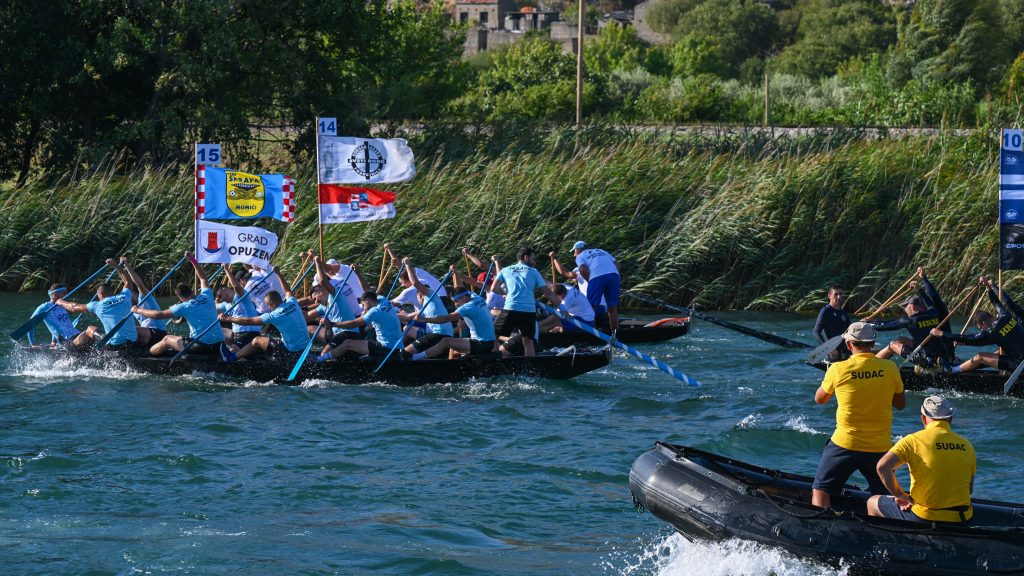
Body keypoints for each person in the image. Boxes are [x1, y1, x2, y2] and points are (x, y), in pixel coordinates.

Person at [812, 322, 906, 509]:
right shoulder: (890, 368)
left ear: (848, 345)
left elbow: (819, 399)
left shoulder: (838, 369)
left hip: (845, 444)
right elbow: (901, 405)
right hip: (880, 446)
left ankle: (820, 527)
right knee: (883, 495)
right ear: (873, 343)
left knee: (821, 489)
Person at [867, 396, 976, 524]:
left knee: (872, 502)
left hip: (926, 517)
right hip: (962, 518)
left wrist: (900, 495)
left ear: (923, 418)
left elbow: (882, 467)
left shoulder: (913, 440)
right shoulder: (967, 445)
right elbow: (969, 489)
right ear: (950, 418)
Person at [131, 252, 233, 359]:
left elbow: (159, 315)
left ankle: (148, 356)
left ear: (180, 298)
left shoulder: (183, 306)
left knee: (166, 339)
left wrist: (138, 310)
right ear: (192, 291)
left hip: (200, 346)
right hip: (219, 344)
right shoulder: (207, 296)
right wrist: (193, 260)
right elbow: (203, 278)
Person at [930, 276, 1024, 373]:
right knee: (998, 351)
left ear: (983, 323)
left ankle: (953, 369)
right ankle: (964, 366)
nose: (982, 330)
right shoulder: (1005, 315)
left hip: (1019, 364)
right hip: (1019, 355)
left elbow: (967, 338)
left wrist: (941, 333)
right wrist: (988, 286)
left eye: (980, 328)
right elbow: (996, 302)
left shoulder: (992, 333)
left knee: (980, 356)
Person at [868, 267, 955, 368]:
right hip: (944, 354)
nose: (904, 310)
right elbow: (931, 301)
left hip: (927, 360)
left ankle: (872, 365)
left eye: (905, 306)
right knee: (902, 339)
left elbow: (885, 326)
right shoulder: (933, 312)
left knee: (892, 344)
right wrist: (921, 285)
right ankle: (880, 354)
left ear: (912, 307)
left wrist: (868, 323)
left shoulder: (909, 320)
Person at [56, 257, 148, 351]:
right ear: (112, 292)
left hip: (114, 346)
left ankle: (71, 346)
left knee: (90, 328)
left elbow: (74, 307)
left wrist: (61, 301)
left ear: (101, 294)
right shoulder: (125, 296)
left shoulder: (98, 305)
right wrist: (116, 266)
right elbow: (128, 281)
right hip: (132, 344)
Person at [489, 247, 560, 357]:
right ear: (526, 257)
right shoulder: (534, 272)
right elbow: (548, 293)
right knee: (528, 341)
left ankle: (493, 362)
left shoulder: (505, 270)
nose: (534, 262)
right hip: (529, 311)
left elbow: (493, 288)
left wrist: (507, 293)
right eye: (533, 259)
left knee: (492, 335)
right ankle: (530, 370)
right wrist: (563, 308)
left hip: (511, 308)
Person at [409, 274, 498, 361]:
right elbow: (459, 287)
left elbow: (446, 319)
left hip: (480, 344)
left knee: (446, 341)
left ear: (463, 297)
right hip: (489, 342)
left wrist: (425, 320)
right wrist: (455, 273)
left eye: (456, 301)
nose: (456, 304)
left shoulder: (467, 307)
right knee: (454, 343)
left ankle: (416, 358)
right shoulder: (476, 297)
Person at [221, 274, 310, 360]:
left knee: (256, 340)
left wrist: (229, 318)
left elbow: (248, 321)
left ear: (272, 304)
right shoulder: (293, 302)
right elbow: (287, 291)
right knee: (270, 337)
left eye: (268, 305)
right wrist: (278, 274)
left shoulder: (274, 315)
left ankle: (232, 357)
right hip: (306, 347)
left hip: (290, 351)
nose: (268, 308)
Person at [315, 291, 404, 362]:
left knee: (348, 343)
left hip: (385, 348)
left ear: (367, 300)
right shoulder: (384, 300)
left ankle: (320, 359)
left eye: (364, 305)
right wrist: (366, 310)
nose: (364, 308)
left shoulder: (374, 311)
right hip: (398, 345)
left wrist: (332, 324)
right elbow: (374, 294)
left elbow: (354, 324)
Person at [397, 258, 454, 355]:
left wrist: (407, 265)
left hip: (439, 334)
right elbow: (407, 317)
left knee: (405, 354)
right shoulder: (425, 306)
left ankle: (414, 357)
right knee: (407, 329)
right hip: (431, 333)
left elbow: (415, 283)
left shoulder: (430, 296)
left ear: (420, 294)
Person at [305, 256, 359, 348]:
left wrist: (317, 262)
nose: (316, 301)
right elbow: (307, 315)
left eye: (316, 298)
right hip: (357, 311)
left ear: (322, 290)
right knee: (317, 319)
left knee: (314, 326)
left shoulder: (334, 294)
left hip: (348, 329)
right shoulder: (342, 277)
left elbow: (322, 281)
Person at [27, 283, 99, 349]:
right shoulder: (44, 307)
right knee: (91, 329)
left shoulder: (62, 307)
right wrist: (32, 343)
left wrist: (54, 341)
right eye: (64, 293)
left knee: (94, 337)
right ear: (54, 294)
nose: (66, 294)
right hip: (67, 340)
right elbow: (30, 324)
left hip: (76, 335)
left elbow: (58, 325)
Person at [570, 241, 620, 331]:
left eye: (574, 251)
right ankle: (615, 334)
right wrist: (615, 276)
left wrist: (590, 281)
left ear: (579, 249)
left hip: (597, 277)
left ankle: (591, 332)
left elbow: (582, 269)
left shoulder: (580, 256)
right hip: (614, 275)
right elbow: (617, 264)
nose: (574, 254)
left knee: (590, 307)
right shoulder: (601, 251)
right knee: (612, 307)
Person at [121, 257, 169, 348]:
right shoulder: (133, 306)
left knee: (130, 330)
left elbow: (139, 284)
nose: (125, 297)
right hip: (148, 336)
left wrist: (126, 266)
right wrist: (117, 267)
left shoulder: (145, 297)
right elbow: (126, 282)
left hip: (159, 333)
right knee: (125, 332)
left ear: (134, 293)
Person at [216, 264, 264, 348]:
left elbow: (236, 286)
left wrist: (226, 269)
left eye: (220, 296)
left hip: (248, 332)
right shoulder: (225, 305)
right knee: (216, 330)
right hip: (237, 335)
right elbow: (209, 308)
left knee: (232, 355)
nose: (220, 299)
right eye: (218, 299)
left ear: (225, 289)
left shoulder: (240, 295)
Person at [813, 285, 851, 361]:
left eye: (840, 294)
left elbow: (850, 331)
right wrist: (828, 349)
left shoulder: (843, 313)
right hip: (834, 353)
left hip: (846, 350)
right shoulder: (826, 311)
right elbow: (816, 332)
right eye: (836, 294)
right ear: (829, 296)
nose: (839, 297)